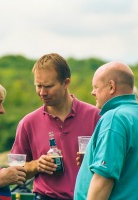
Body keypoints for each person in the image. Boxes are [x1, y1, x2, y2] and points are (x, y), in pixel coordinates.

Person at [11, 53, 100, 199]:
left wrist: (92, 159)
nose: (42, 92)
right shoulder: (28, 122)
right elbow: (14, 168)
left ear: (66, 83)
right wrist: (36, 165)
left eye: (48, 86)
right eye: (38, 86)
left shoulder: (96, 117)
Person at [74, 61, 138, 199]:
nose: (92, 92)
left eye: (96, 87)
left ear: (111, 86)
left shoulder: (115, 118)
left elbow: (104, 180)